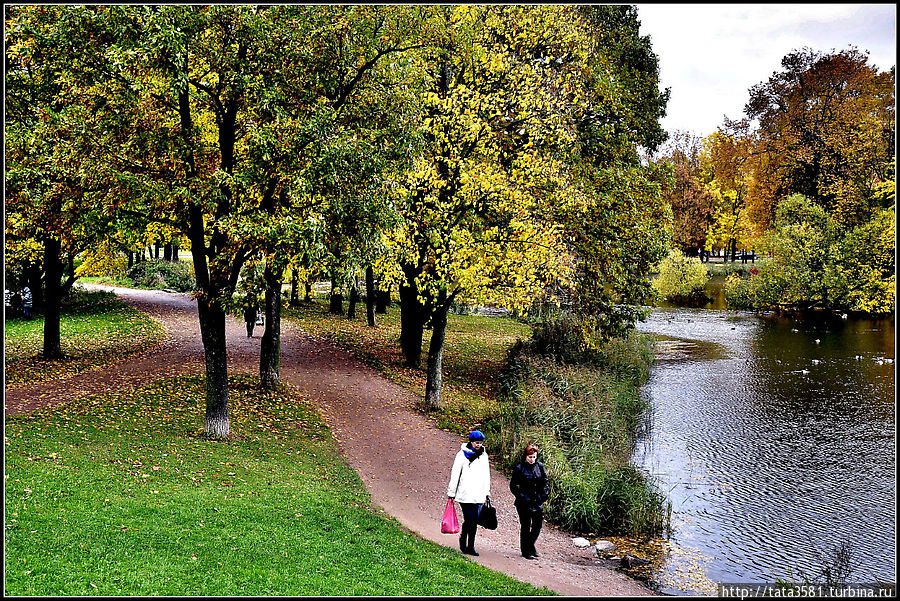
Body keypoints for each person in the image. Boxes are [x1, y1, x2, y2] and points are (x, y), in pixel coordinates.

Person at [447, 430, 491, 556]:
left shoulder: (484, 456)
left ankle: (470, 545)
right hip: (465, 493)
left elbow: (486, 475)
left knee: (473, 521)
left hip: (478, 494)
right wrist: (451, 492)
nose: (478, 445)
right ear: (471, 442)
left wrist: (486, 491)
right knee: (470, 518)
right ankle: (464, 542)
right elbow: (455, 474)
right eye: (476, 442)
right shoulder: (462, 455)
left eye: (480, 443)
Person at [509, 443, 549, 559]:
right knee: (525, 526)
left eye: (534, 457)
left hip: (537, 500)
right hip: (524, 502)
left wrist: (543, 496)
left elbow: (545, 482)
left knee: (537, 525)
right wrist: (522, 496)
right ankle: (525, 551)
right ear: (525, 456)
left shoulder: (540, 466)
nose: (532, 459)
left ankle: (530, 545)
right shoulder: (519, 468)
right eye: (530, 457)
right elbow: (513, 486)